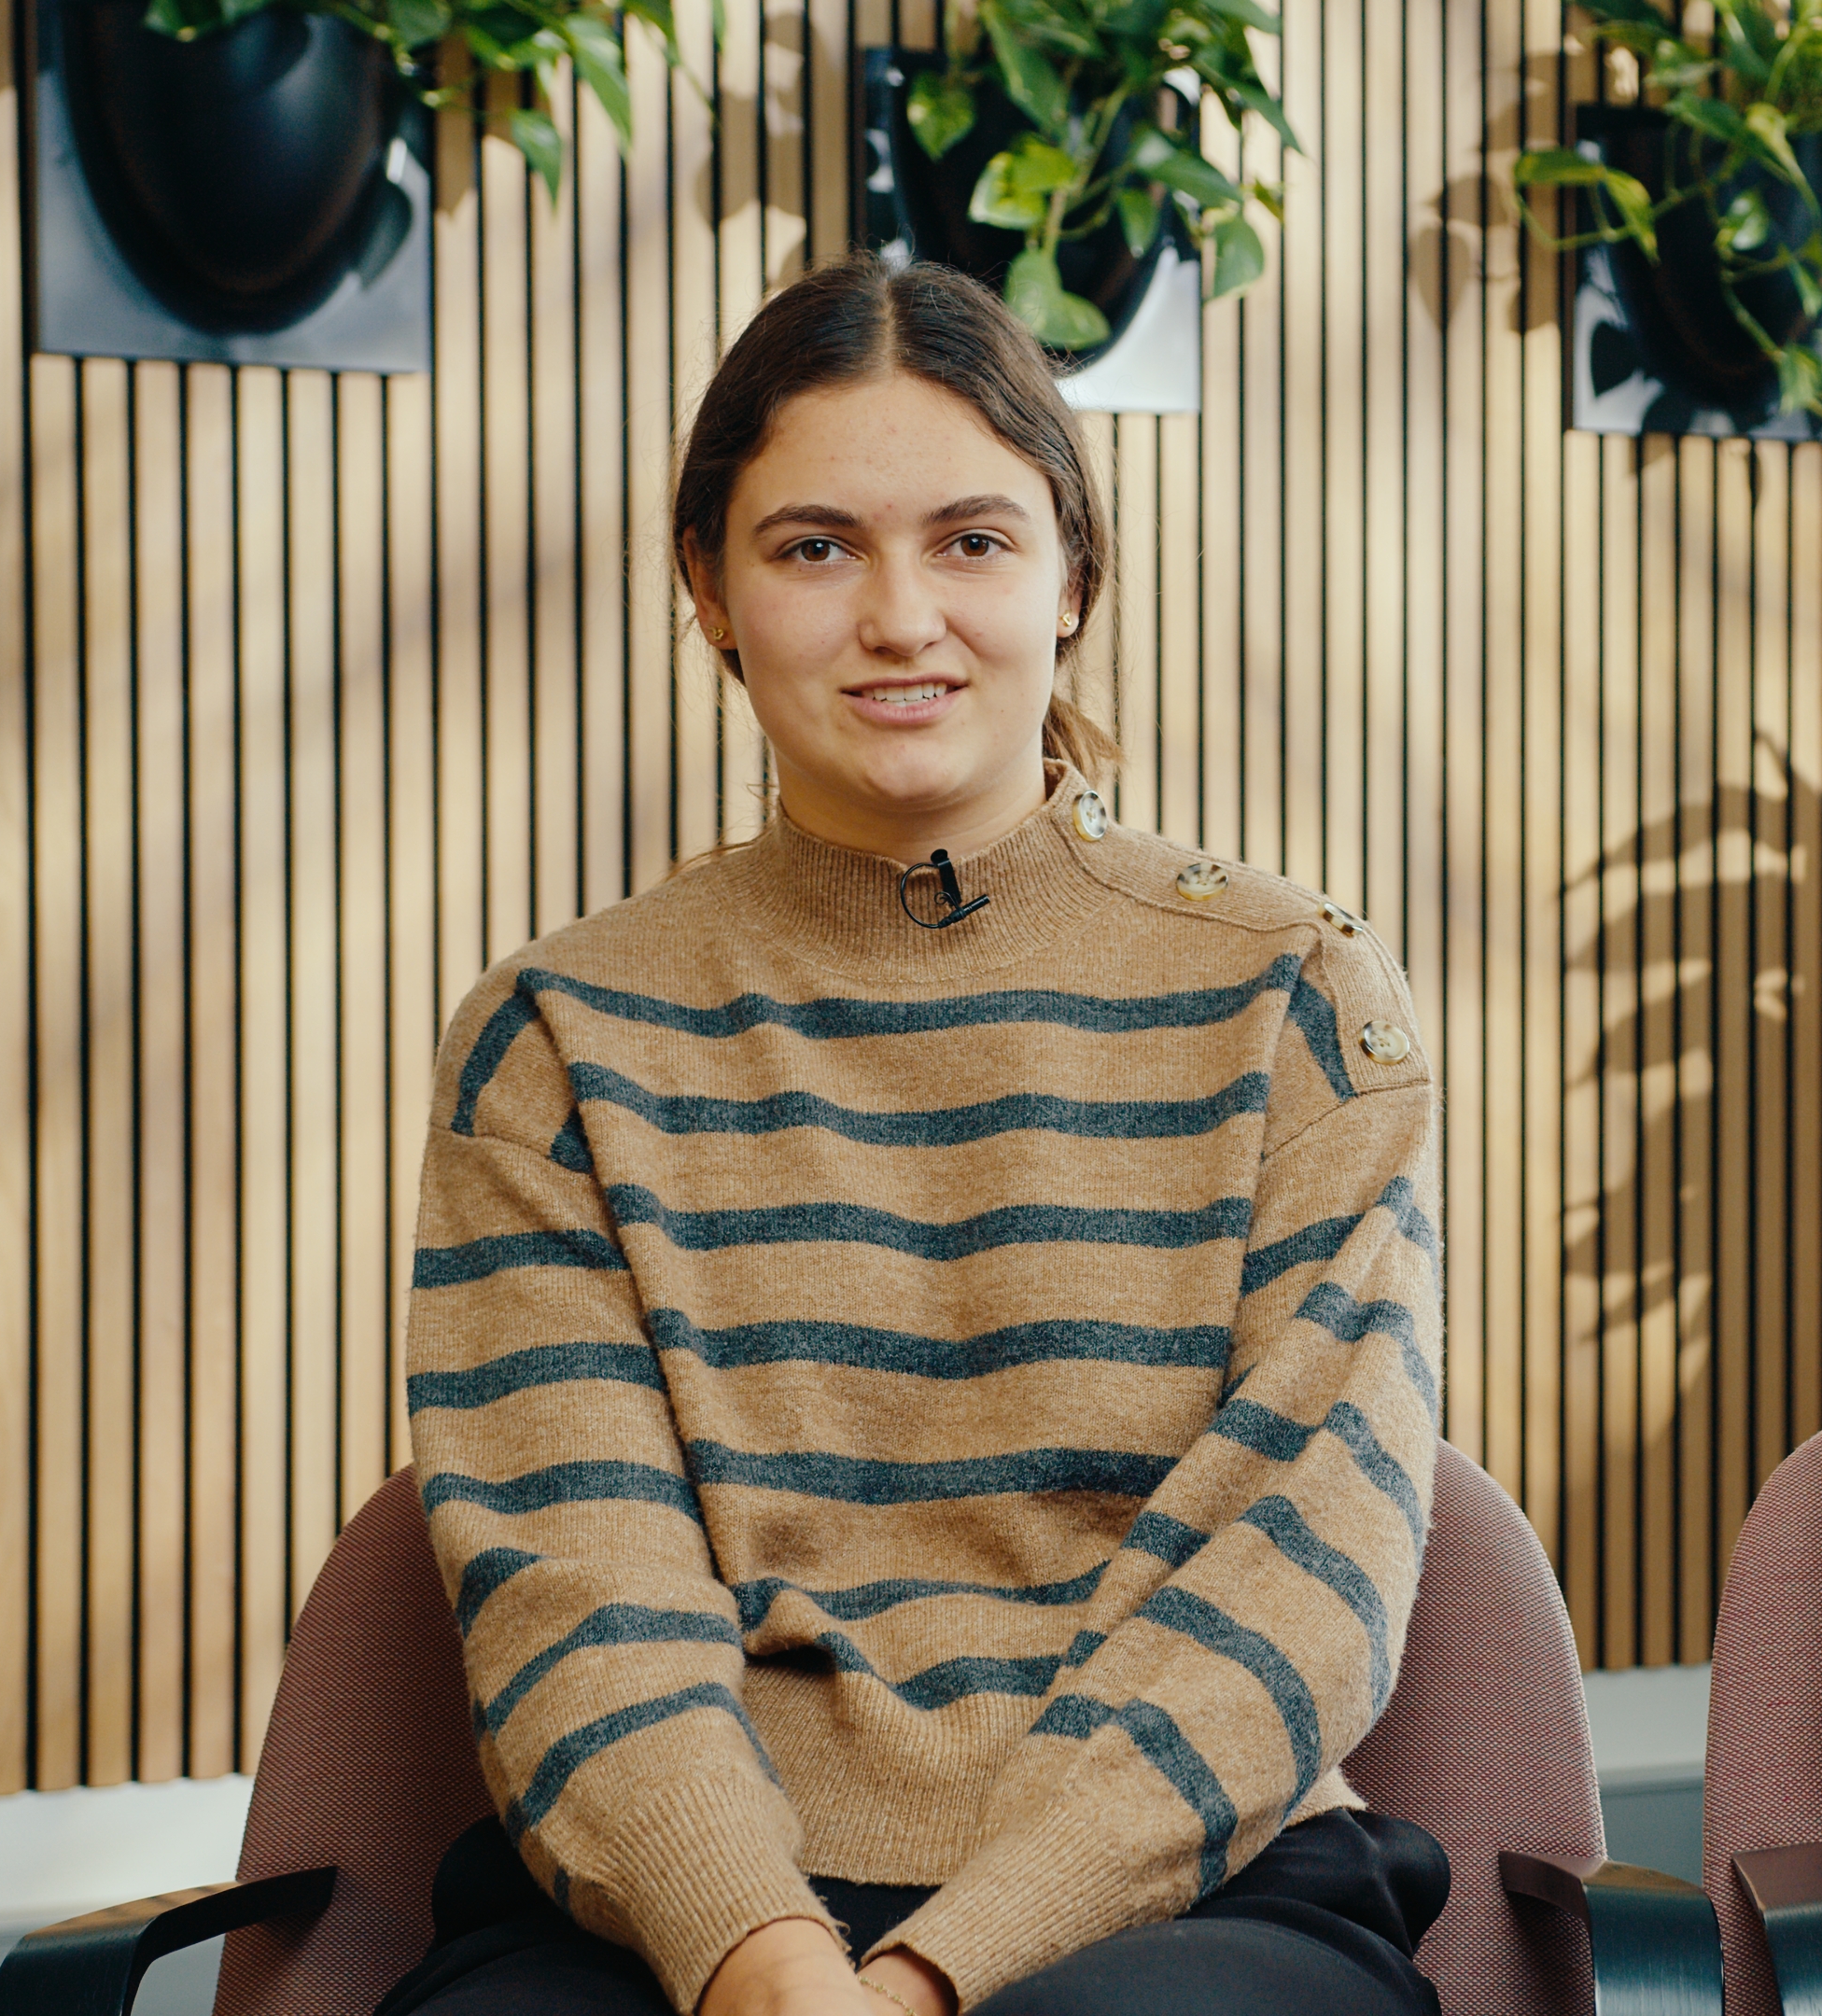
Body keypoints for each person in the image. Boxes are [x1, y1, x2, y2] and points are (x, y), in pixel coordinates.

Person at [397, 256, 1446, 2016]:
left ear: (1071, 578)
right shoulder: (558, 1038)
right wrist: (770, 1958)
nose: (902, 619)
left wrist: (944, 1973)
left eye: (972, 541)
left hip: (1183, 1882)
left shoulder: (1291, 994)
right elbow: (576, 1581)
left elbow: (1305, 1563)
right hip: (691, 1899)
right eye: (816, 547)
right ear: (710, 591)